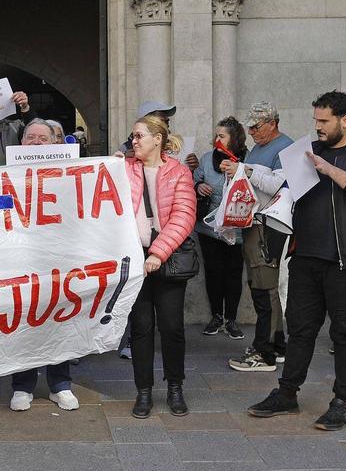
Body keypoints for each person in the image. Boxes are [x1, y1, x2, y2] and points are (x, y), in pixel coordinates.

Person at [248, 91, 346, 431]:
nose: (317, 127)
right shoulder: (309, 151)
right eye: (315, 120)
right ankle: (287, 393)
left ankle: (343, 400)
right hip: (306, 255)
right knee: (299, 328)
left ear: (345, 120)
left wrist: (333, 171)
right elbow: (290, 192)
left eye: (324, 121)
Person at [125, 114, 196, 419]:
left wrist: (157, 253)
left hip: (166, 258)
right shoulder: (123, 168)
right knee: (140, 328)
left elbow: (183, 216)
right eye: (132, 136)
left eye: (139, 136)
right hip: (135, 257)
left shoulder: (178, 173)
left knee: (171, 327)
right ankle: (143, 392)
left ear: (158, 139)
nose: (133, 141)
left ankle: (175, 387)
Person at [9, 118, 80, 412]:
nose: (36, 143)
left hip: (59, 258)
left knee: (59, 319)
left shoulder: (71, 173)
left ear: (55, 143)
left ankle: (60, 384)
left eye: (42, 138)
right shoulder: (7, 173)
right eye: (30, 138)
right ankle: (22, 385)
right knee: (24, 320)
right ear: (21, 143)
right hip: (21, 258)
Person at [228, 102, 293, 372]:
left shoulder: (285, 147)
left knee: (264, 288)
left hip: (270, 225)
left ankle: (264, 353)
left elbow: (277, 185)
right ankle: (276, 345)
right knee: (263, 286)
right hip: (256, 222)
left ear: (272, 123)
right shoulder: (261, 146)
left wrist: (244, 171)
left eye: (256, 126)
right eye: (250, 127)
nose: (252, 131)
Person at [193, 116, 247, 340]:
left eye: (222, 136)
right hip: (210, 229)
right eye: (216, 135)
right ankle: (216, 315)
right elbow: (193, 183)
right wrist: (199, 186)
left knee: (234, 274)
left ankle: (231, 319)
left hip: (237, 230)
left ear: (234, 138)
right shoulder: (207, 159)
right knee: (213, 272)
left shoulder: (248, 160)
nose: (217, 139)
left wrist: (239, 172)